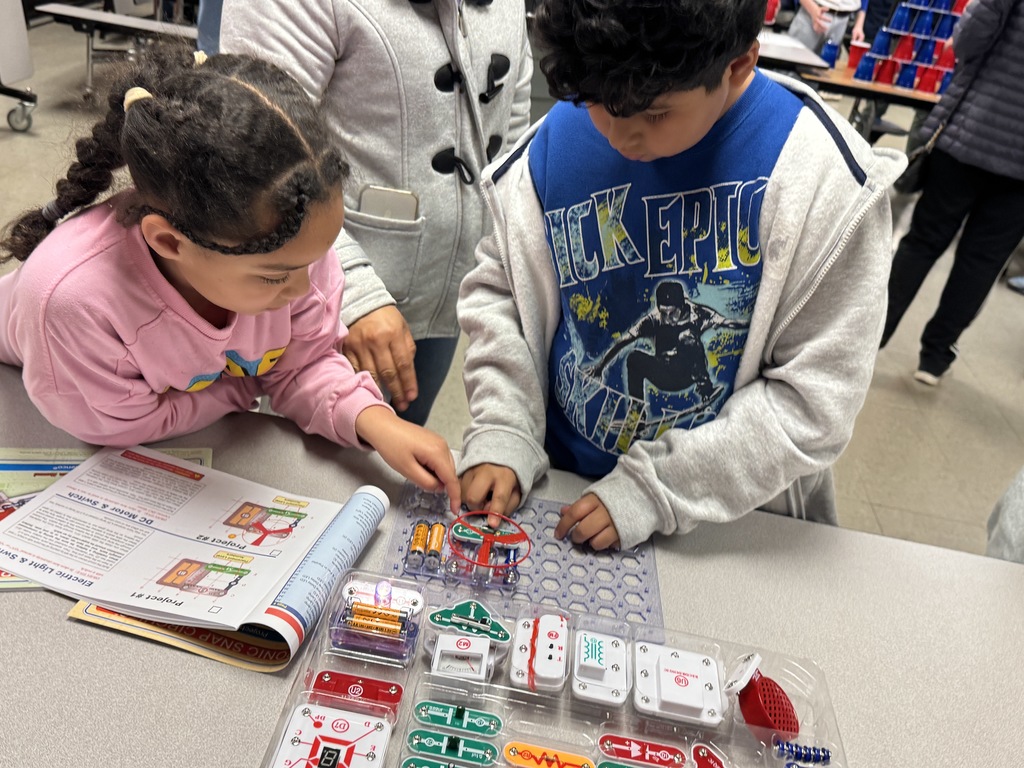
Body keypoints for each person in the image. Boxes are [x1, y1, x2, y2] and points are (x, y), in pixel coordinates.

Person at [456, 0, 907, 551]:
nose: (620, 136)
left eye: (655, 113)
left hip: (722, 520)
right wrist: (506, 424)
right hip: (556, 479)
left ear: (738, 65)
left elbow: (814, 401)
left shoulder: (822, 182)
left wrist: (658, 487)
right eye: (598, 103)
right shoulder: (562, 136)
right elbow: (501, 290)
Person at [0, 46, 461, 512]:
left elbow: (302, 363)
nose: (305, 291)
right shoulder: (73, 301)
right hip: (33, 396)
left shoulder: (287, 250)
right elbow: (117, 427)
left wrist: (372, 420)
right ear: (171, 243)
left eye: (313, 262)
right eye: (275, 277)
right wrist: (249, 386)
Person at [219, 0, 533, 426]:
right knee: (313, 455)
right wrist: (356, 292)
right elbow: (258, 157)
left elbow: (509, 133)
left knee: (401, 449)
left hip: (449, 289)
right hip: (324, 297)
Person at [880, 0, 1024, 386]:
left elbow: (968, 41)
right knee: (983, 261)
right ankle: (935, 355)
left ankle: (872, 335)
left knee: (924, 241)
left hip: (971, 137)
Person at [789, 0, 867, 55]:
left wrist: (859, 25)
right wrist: (812, 9)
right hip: (813, 10)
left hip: (844, 18)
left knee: (826, 70)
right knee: (793, 61)